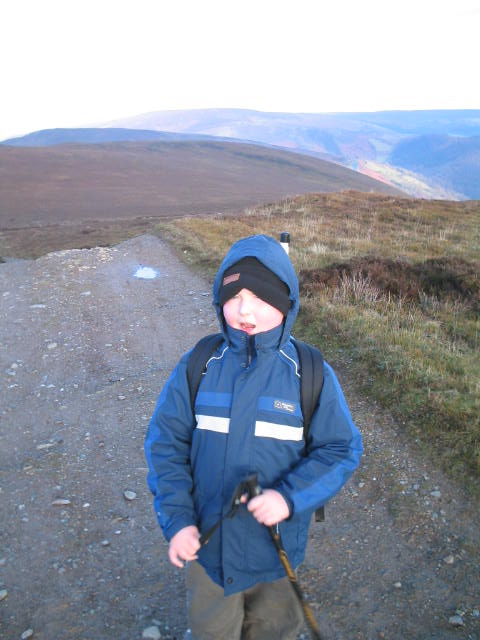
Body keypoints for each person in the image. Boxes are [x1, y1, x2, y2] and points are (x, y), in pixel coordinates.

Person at [145, 234, 363, 640]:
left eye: (260, 297)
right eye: (233, 295)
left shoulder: (310, 375)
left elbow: (341, 448)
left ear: (286, 303)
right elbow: (166, 444)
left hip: (276, 555)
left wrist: (289, 496)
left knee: (274, 630)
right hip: (209, 551)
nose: (244, 309)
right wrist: (177, 521)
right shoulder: (198, 366)